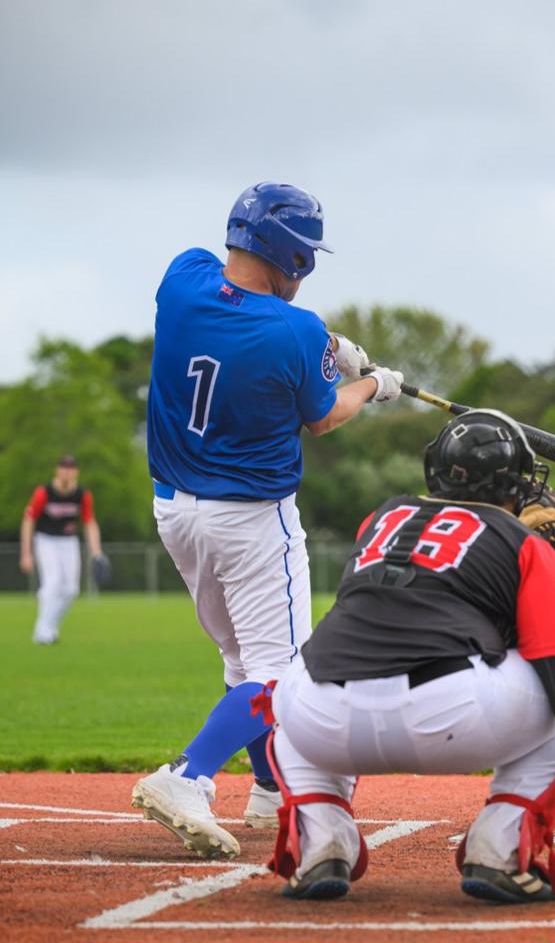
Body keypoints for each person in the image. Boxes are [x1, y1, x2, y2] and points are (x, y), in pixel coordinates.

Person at [131, 181, 404, 859]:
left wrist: (331, 344)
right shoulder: (294, 330)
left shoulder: (182, 276)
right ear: (291, 255)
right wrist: (374, 384)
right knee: (281, 673)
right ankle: (187, 776)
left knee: (242, 660)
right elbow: (324, 415)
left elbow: (246, 313)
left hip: (176, 514)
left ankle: (267, 791)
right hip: (252, 522)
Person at [258, 409, 555, 902]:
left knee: (282, 696)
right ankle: (498, 847)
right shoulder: (526, 543)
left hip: (321, 715)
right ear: (518, 483)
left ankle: (321, 838)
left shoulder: (381, 519)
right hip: (449, 715)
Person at [20, 455, 106, 644]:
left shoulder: (82, 495)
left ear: (76, 472)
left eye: (71, 468)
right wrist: (26, 553)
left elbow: (89, 523)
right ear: (57, 471)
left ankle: (49, 628)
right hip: (45, 540)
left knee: (71, 590)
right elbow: (29, 520)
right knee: (52, 582)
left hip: (68, 542)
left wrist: (96, 551)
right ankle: (41, 632)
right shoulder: (44, 493)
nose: (67, 472)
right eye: (63, 468)